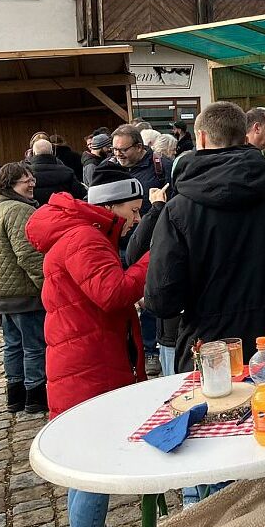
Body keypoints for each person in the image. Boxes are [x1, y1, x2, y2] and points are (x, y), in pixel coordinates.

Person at [144, 102, 265, 498]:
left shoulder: (179, 209)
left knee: (215, 463)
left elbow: (161, 299)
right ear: (246, 133)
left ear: (200, 138)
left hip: (213, 349)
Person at [25, 166, 150, 527]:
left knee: (84, 457)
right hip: (89, 363)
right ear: (111, 205)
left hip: (82, 356)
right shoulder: (85, 237)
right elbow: (112, 293)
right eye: (133, 210)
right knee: (92, 462)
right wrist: (153, 260)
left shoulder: (79, 232)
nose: (135, 219)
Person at [107, 125, 173, 377]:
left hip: (151, 245)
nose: (118, 154)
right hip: (120, 244)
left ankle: (150, 350)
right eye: (114, 150)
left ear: (139, 147)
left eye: (122, 149)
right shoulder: (111, 168)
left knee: (148, 299)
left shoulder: (161, 166)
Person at [0, 163, 46, 414]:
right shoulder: (18, 209)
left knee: (12, 344)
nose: (32, 183)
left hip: (1, 291)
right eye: (25, 181)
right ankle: (35, 396)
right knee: (33, 346)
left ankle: (15, 395)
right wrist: (46, 286)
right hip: (23, 292)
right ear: (10, 184)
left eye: (32, 179)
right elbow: (28, 255)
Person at [29, 138, 85, 205]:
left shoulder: (26, 174)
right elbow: (81, 194)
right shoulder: (67, 172)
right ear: (52, 152)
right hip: (62, 211)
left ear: (34, 153)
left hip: (36, 212)